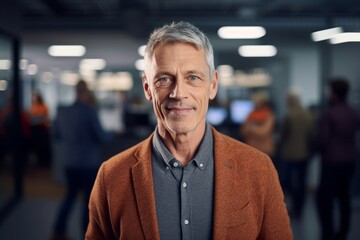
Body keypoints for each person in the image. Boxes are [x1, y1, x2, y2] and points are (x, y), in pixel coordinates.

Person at [86, 21, 292, 240]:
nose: (178, 93)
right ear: (147, 87)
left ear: (213, 85)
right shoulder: (112, 176)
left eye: (193, 77)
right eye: (164, 79)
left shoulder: (258, 169)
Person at [52, 80, 112, 240]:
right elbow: (102, 137)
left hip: (69, 163)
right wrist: (114, 134)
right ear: (86, 92)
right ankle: (86, 235)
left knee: (70, 196)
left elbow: (56, 134)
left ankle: (58, 230)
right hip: (87, 164)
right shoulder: (90, 112)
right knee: (88, 202)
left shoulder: (63, 111)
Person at [316, 78, 359, 240]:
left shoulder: (330, 113)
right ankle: (343, 233)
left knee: (323, 199)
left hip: (332, 161)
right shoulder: (353, 112)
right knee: (344, 197)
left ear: (333, 93)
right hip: (350, 160)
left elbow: (323, 139)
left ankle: (328, 234)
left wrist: (312, 149)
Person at [280, 88, 314, 219]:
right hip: (305, 153)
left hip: (290, 154)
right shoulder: (309, 114)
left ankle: (292, 207)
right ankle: (299, 209)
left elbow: (283, 135)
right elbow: (311, 135)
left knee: (287, 182)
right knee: (302, 181)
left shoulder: (289, 115)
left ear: (291, 100)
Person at [241, 91, 276, 157]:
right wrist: (254, 128)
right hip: (251, 149)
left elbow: (263, 132)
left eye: (257, 100)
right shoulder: (250, 114)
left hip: (265, 150)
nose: (255, 102)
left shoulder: (269, 115)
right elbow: (243, 131)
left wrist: (251, 127)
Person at [29, 91, 52, 168]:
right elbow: (30, 117)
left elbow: (45, 117)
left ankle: (44, 163)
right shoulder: (32, 107)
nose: (34, 99)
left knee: (43, 147)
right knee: (38, 148)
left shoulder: (43, 106)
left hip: (42, 130)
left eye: (35, 97)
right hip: (35, 130)